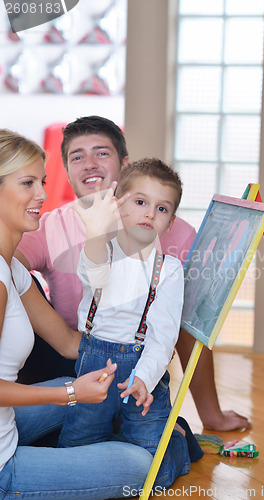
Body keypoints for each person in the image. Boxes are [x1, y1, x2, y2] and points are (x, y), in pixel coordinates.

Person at [15, 115, 251, 432]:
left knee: (173, 312)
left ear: (125, 164)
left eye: (101, 152)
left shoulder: (172, 231)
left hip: (138, 358)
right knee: (15, 275)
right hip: (71, 353)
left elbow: (189, 328)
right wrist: (68, 342)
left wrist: (212, 415)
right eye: (77, 156)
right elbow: (8, 261)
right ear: (68, 170)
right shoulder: (52, 224)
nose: (89, 164)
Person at [0, 128, 156, 498]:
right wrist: (72, 393)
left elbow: (71, 344)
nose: (42, 194)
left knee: (68, 388)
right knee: (139, 466)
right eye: (27, 183)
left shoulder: (12, 269)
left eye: (43, 181)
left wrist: (144, 360)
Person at [58, 159, 203, 483]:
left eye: (161, 208)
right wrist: (95, 232)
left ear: (170, 221)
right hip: (93, 366)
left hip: (141, 371)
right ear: (117, 206)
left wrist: (145, 378)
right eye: (140, 202)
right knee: (74, 446)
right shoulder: (100, 250)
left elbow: (163, 337)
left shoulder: (169, 270)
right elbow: (93, 273)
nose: (150, 213)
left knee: (153, 471)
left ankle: (178, 440)